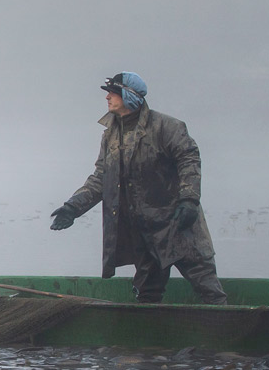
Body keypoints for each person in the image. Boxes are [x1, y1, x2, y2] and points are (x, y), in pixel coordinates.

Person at [49, 71, 226, 304]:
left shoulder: (167, 127)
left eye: (113, 92)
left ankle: (226, 332)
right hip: (145, 231)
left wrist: (189, 200)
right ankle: (150, 339)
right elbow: (101, 178)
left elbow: (189, 161)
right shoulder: (111, 135)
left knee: (208, 287)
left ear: (129, 95)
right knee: (147, 294)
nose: (107, 97)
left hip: (178, 223)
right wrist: (72, 207)